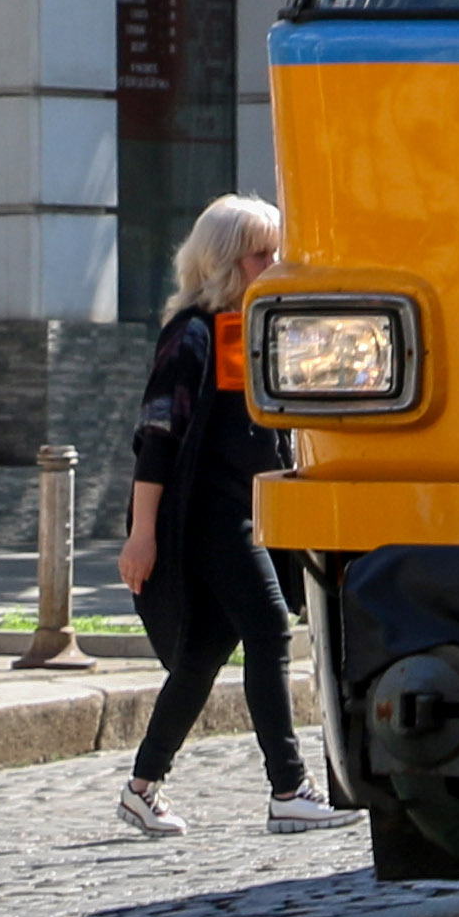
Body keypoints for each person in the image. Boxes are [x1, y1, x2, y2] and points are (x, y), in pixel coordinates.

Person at [118, 195, 343, 841]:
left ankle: (141, 788)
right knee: (270, 628)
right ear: (225, 261)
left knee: (202, 656)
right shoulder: (190, 332)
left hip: (244, 510)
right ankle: (288, 788)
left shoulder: (253, 329)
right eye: (260, 253)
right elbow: (156, 437)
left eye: (277, 251)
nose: (273, 264)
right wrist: (141, 535)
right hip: (207, 517)